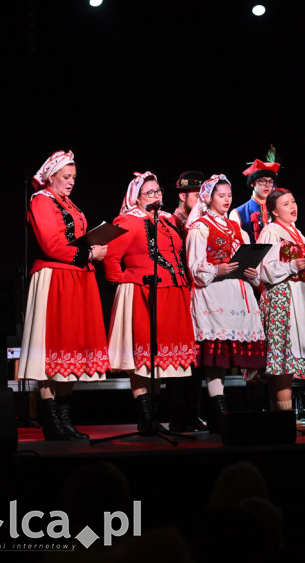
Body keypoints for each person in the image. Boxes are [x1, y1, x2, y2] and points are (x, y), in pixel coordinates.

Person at [18, 150, 110, 440]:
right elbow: (51, 244)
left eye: (73, 177)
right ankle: (50, 419)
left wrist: (96, 248)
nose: (71, 182)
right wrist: (89, 252)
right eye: (66, 177)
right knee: (51, 345)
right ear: (51, 177)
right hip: (54, 277)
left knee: (71, 346)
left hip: (77, 277)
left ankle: (64, 417)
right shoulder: (41, 200)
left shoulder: (68, 203)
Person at [103, 172, 197, 432]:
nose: (156, 197)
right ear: (136, 196)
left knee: (160, 358)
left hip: (173, 292)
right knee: (142, 357)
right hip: (142, 292)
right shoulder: (127, 221)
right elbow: (111, 258)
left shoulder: (169, 220)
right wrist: (126, 283)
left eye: (158, 192)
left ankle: (154, 416)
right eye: (150, 193)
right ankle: (146, 418)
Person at [185, 174, 266, 429]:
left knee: (238, 355)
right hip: (214, 294)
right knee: (216, 358)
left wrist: (252, 273)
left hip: (237, 294)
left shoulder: (238, 229)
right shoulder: (199, 227)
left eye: (229, 195)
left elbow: (248, 260)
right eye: (221, 195)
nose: (227, 200)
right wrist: (217, 270)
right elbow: (195, 267)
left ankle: (242, 409)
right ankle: (217, 410)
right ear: (209, 198)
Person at [256, 187, 305, 431]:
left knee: (286, 359)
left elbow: (298, 265)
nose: (292, 206)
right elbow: (264, 269)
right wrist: (293, 266)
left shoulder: (296, 233)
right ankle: (285, 420)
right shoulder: (271, 232)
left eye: (293, 201)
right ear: (274, 210)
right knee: (282, 359)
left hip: (299, 295)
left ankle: (281, 419)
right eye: (285, 204)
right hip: (281, 298)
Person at [166, 170, 208, 431]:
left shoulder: (203, 223)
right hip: (179, 294)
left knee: (199, 360)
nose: (202, 200)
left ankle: (192, 413)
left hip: (200, 294)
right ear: (183, 195)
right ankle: (178, 416)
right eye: (196, 195)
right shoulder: (171, 222)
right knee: (180, 358)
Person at [230, 159, 280, 244]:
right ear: (252, 183)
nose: (267, 185)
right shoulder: (237, 213)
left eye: (270, 181)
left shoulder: (279, 209)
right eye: (262, 180)